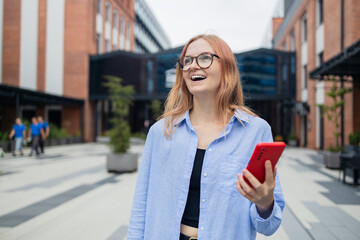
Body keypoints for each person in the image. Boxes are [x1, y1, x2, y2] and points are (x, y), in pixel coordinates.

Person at [127, 34, 285, 240]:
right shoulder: (161, 132)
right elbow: (141, 205)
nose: (193, 66)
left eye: (204, 58)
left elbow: (269, 227)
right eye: (187, 61)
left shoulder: (255, 130)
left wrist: (264, 203)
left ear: (226, 67)